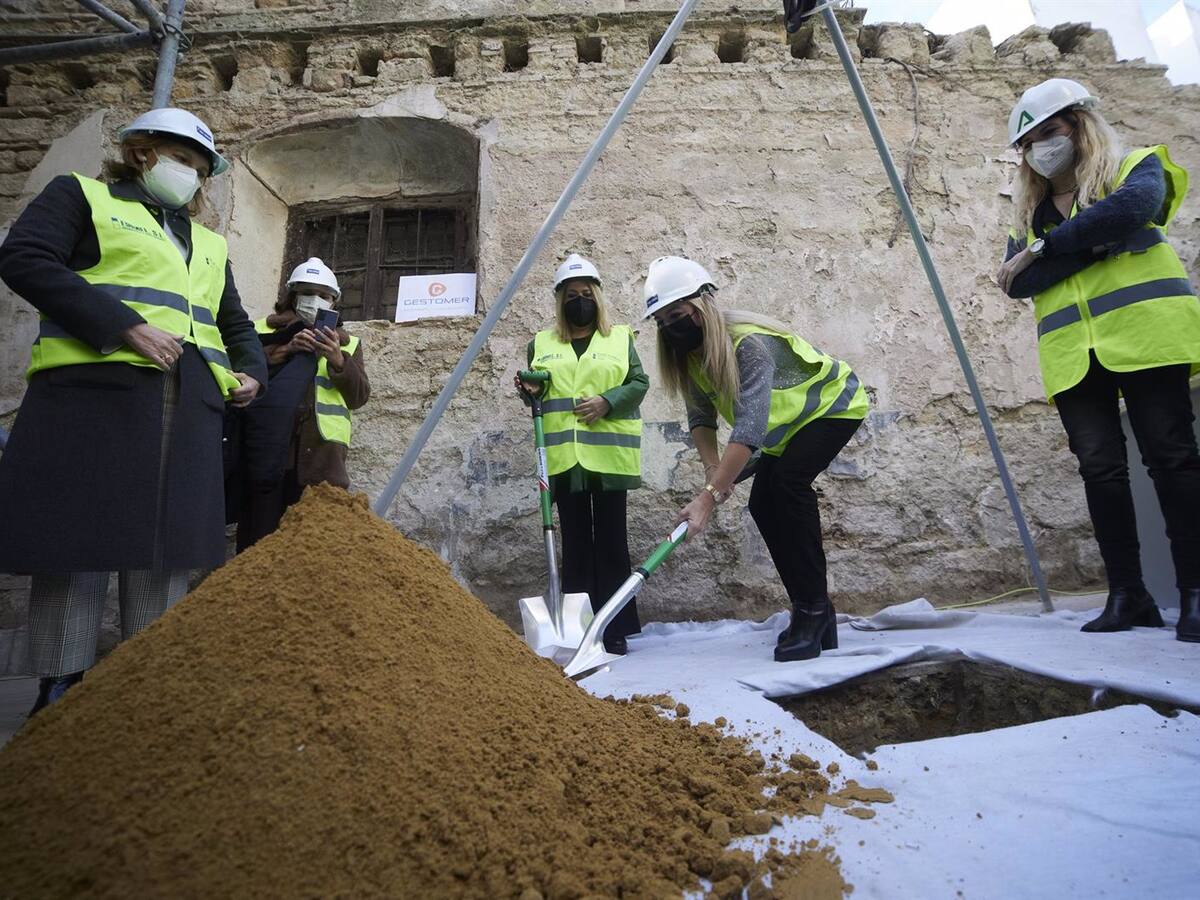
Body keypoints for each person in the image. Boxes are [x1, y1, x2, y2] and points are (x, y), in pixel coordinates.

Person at [0, 107, 267, 713]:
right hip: (94, 393)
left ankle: (148, 687)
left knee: (168, 546)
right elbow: (25, 258)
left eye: (201, 170)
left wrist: (253, 371)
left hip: (190, 401)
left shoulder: (209, 243)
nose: (191, 177)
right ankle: (62, 689)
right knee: (78, 540)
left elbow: (232, 321)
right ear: (143, 152)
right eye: (183, 160)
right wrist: (124, 326)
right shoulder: (83, 196)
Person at [997, 78, 1200, 643]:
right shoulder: (1030, 212)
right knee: (1100, 471)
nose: (1041, 148)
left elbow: (1134, 209)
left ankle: (1194, 593)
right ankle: (1128, 594)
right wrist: (1094, 240)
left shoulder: (1133, 168)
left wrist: (1045, 249)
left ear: (1080, 125)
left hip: (1147, 335)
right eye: (1029, 142)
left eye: (1050, 132)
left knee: (1172, 460)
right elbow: (1017, 284)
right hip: (1073, 355)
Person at [643, 256, 868, 662]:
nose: (669, 328)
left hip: (833, 407)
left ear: (701, 306)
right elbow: (701, 417)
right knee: (764, 504)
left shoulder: (749, 345)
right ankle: (816, 612)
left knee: (787, 486)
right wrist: (714, 472)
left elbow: (748, 430)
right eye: (661, 321)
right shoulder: (690, 357)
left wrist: (708, 498)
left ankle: (812, 612)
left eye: (676, 315)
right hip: (787, 431)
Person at [519, 253, 649, 655]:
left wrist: (608, 401)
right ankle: (579, 630)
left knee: (612, 544)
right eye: (572, 295)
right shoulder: (541, 344)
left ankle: (613, 628)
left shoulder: (620, 338)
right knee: (575, 544)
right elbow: (539, 396)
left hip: (609, 460)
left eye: (587, 293)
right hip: (564, 461)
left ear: (598, 297)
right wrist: (529, 392)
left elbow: (639, 383)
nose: (580, 301)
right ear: (561, 300)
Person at [226, 257, 370, 551]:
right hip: (264, 455)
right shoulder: (257, 331)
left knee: (314, 549)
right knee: (259, 543)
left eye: (324, 295)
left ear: (334, 302)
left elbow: (359, 397)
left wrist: (337, 360)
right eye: (307, 292)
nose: (315, 300)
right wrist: (285, 350)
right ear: (292, 295)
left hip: (322, 460)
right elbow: (236, 380)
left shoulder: (348, 343)